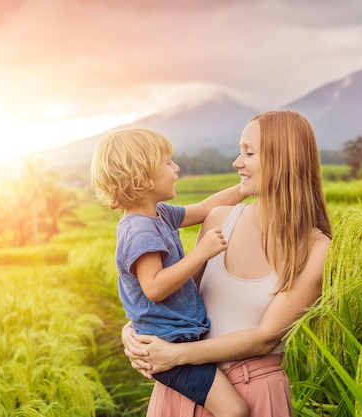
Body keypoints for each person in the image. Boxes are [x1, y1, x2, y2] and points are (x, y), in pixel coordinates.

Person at [122, 110, 332, 416]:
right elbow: (174, 297)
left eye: (249, 152)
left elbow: (266, 337)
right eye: (239, 151)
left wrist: (175, 356)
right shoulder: (219, 220)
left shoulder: (317, 249)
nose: (236, 162)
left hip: (254, 393)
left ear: (282, 160)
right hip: (185, 388)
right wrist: (132, 331)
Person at [90, 128, 248, 417]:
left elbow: (203, 208)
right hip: (169, 346)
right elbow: (154, 287)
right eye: (168, 162)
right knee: (234, 410)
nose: (176, 168)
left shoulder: (159, 214)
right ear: (143, 175)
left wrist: (246, 188)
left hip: (179, 337)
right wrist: (202, 253)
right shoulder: (140, 230)